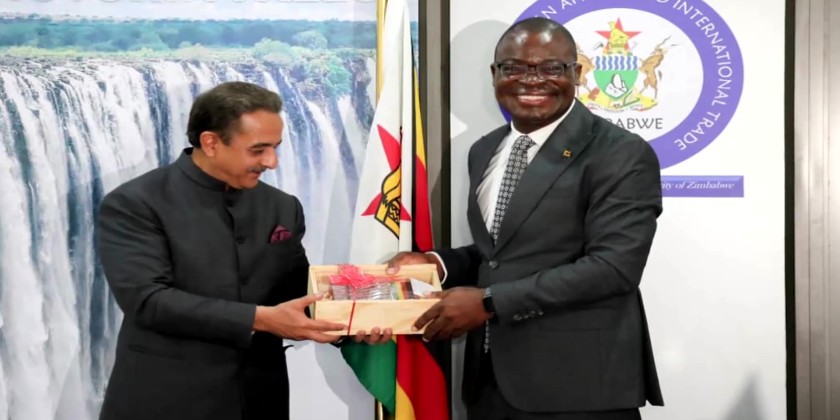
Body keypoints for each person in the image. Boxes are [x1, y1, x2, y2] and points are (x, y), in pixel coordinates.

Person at [388, 18, 664, 420]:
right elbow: (504, 250)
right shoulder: (484, 150)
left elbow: (613, 268)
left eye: (551, 67)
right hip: (489, 384)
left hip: (580, 388)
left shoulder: (619, 152)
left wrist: (488, 303)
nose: (531, 80)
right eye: (514, 67)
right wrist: (437, 263)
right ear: (495, 74)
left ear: (577, 73)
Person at [96, 81, 391, 420]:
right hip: (165, 399)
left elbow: (297, 293)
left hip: (261, 400)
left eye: (276, 148)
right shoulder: (135, 203)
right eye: (258, 150)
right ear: (211, 142)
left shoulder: (282, 207)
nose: (272, 162)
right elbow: (148, 301)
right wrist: (260, 319)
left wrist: (352, 323)